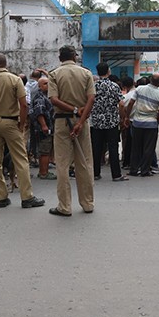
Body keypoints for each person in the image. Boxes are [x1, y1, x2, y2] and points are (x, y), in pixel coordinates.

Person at [0, 52, 45, 209]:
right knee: (20, 159)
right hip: (11, 122)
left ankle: (1, 197)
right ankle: (27, 197)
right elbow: (24, 105)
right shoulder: (15, 80)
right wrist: (21, 124)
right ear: (5, 64)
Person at [47, 45, 95, 216]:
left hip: (62, 121)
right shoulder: (86, 73)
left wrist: (73, 110)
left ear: (60, 58)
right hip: (82, 121)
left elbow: (53, 99)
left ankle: (65, 206)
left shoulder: (54, 74)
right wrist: (80, 121)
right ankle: (88, 203)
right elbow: (91, 99)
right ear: (75, 56)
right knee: (84, 162)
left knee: (62, 164)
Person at [126, 72, 159, 178]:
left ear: (150, 80)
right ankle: (145, 170)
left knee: (136, 148)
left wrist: (127, 117)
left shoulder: (139, 89)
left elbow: (131, 103)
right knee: (148, 148)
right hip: (151, 125)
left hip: (137, 123)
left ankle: (134, 169)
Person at [90, 62, 127, 182]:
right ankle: (116, 174)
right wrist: (122, 118)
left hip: (96, 121)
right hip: (111, 122)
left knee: (96, 148)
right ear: (108, 71)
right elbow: (121, 104)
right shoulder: (114, 86)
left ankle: (95, 173)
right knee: (113, 148)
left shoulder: (93, 86)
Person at [30, 76, 56, 180]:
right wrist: (44, 125)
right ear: (40, 86)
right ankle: (44, 172)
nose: (48, 85)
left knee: (44, 150)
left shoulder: (46, 96)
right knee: (45, 150)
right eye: (45, 83)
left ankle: (43, 171)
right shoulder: (40, 97)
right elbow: (39, 112)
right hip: (44, 128)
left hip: (47, 127)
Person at [119, 76, 135, 170]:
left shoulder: (125, 97)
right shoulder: (138, 94)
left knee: (127, 143)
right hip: (137, 121)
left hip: (128, 121)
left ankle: (127, 162)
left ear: (124, 87)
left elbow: (121, 106)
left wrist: (123, 118)